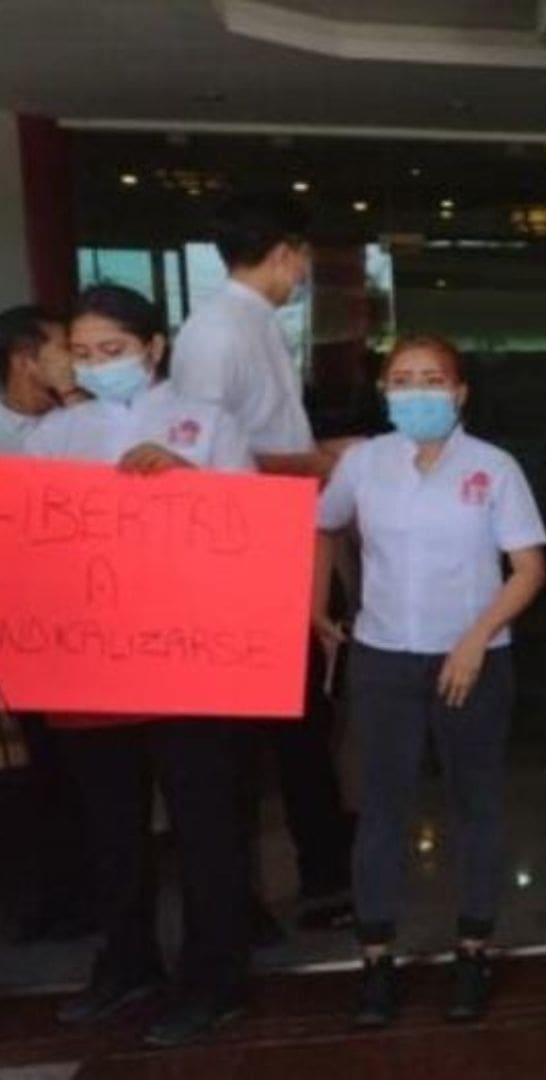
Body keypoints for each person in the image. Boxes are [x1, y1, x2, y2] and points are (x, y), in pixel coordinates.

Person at [24, 285, 256, 1048]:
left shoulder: (210, 425)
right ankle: (126, 961)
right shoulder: (54, 434)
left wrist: (188, 480)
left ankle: (214, 976)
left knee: (204, 826)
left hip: (190, 658)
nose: (99, 365)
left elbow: (252, 533)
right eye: (84, 354)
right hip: (94, 662)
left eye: (113, 350)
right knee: (111, 827)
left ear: (152, 348)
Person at [313, 335, 546, 1028]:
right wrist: (314, 607)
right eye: (403, 380)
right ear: (385, 391)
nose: (417, 392)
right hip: (384, 657)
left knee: (476, 804)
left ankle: (473, 946)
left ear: (460, 391)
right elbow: (321, 526)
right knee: (383, 808)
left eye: (432, 380)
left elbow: (530, 568)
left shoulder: (494, 467)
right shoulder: (363, 464)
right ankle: (377, 958)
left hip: (474, 658)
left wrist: (475, 637)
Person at [171, 192, 356, 933]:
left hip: (286, 539)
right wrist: (314, 461)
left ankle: (322, 878)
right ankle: (251, 893)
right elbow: (205, 461)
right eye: (304, 256)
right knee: (262, 735)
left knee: (307, 720)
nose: (305, 270)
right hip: (245, 555)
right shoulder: (216, 332)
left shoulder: (254, 324)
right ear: (284, 251)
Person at [0, 303, 93, 946]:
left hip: (81, 634)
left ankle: (80, 897)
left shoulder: (81, 425)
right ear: (26, 359)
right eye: (66, 348)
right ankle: (35, 903)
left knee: (78, 773)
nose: (79, 361)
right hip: (16, 631)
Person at [0, 304, 82, 452]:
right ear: (24, 361)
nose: (76, 358)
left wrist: (70, 392)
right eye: (66, 348)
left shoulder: (79, 404)